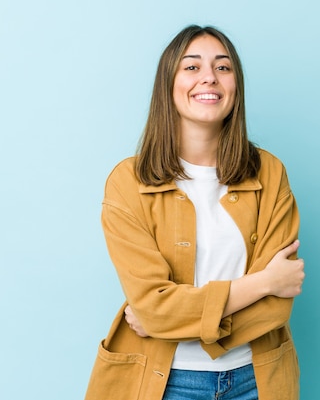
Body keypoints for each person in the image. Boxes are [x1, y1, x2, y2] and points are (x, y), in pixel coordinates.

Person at [84, 25, 305, 400]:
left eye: (223, 67)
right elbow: (153, 306)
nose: (209, 77)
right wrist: (263, 283)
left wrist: (169, 321)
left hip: (256, 380)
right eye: (191, 67)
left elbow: (274, 310)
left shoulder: (269, 173)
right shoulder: (127, 182)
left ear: (236, 85)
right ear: (167, 85)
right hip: (162, 384)